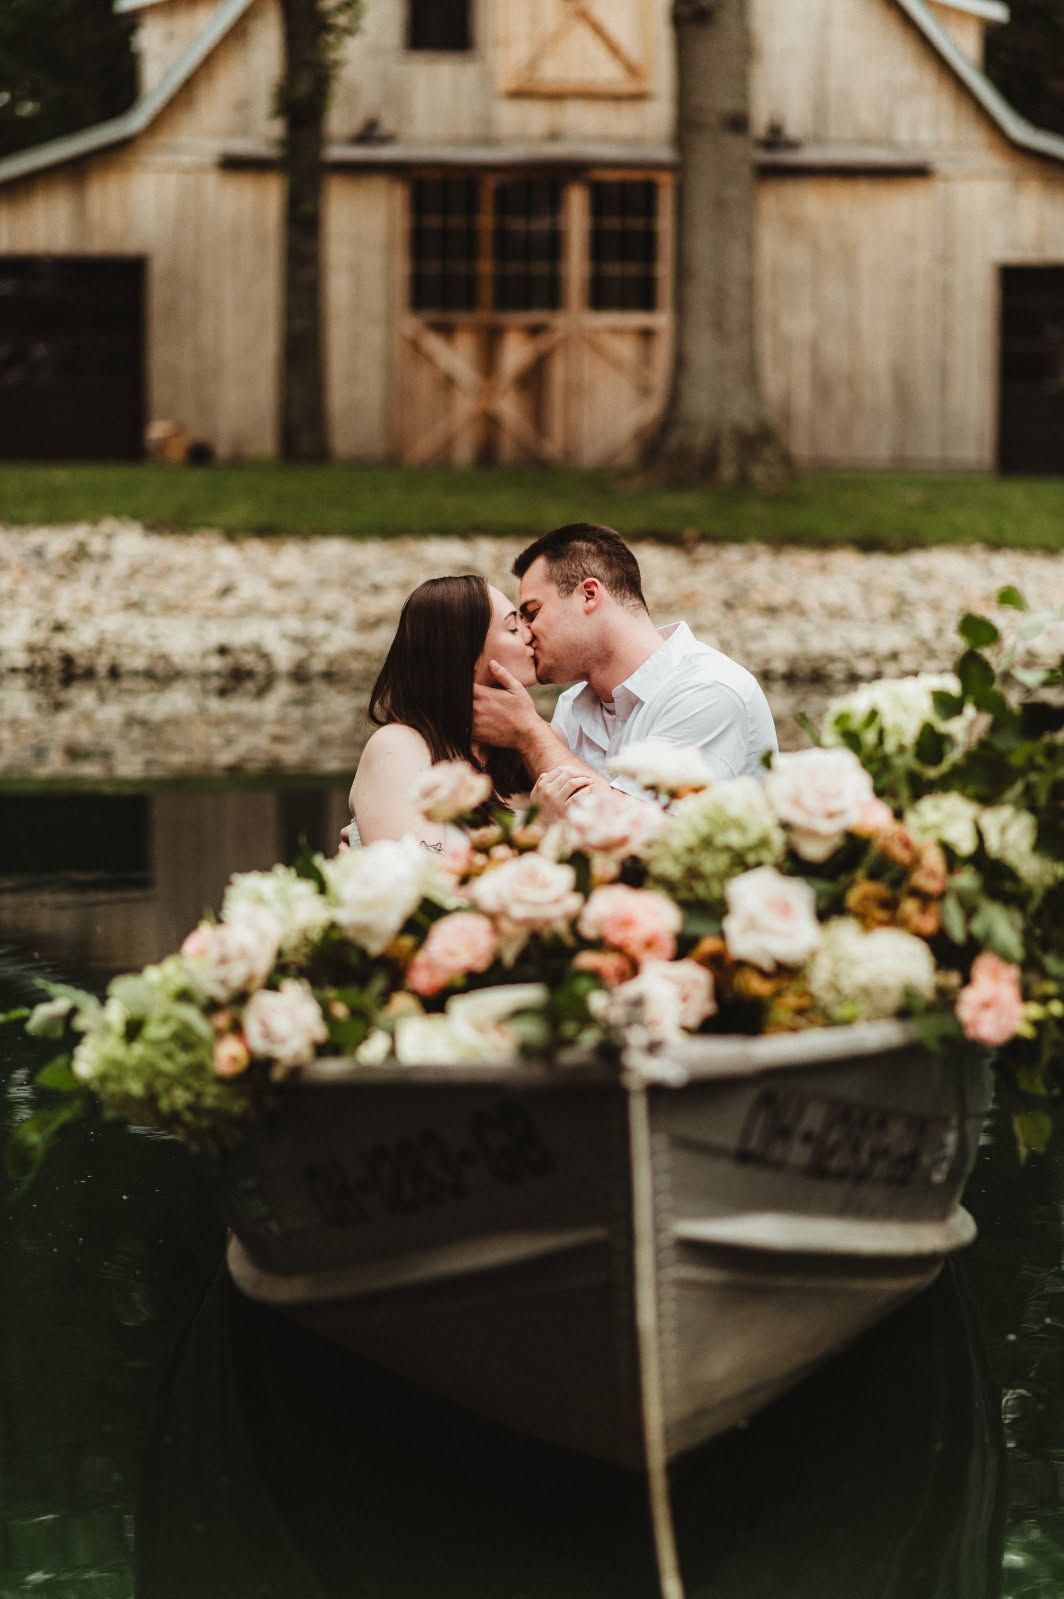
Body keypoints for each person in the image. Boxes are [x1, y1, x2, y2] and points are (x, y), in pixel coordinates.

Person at [472, 523, 778, 812]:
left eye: (533, 612)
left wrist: (529, 734)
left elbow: (639, 836)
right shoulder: (573, 707)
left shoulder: (709, 691)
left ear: (589, 595)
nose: (526, 632)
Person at [340, 575, 535, 850]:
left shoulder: (533, 745)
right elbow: (422, 880)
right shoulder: (398, 748)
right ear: (465, 653)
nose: (530, 634)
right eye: (513, 628)